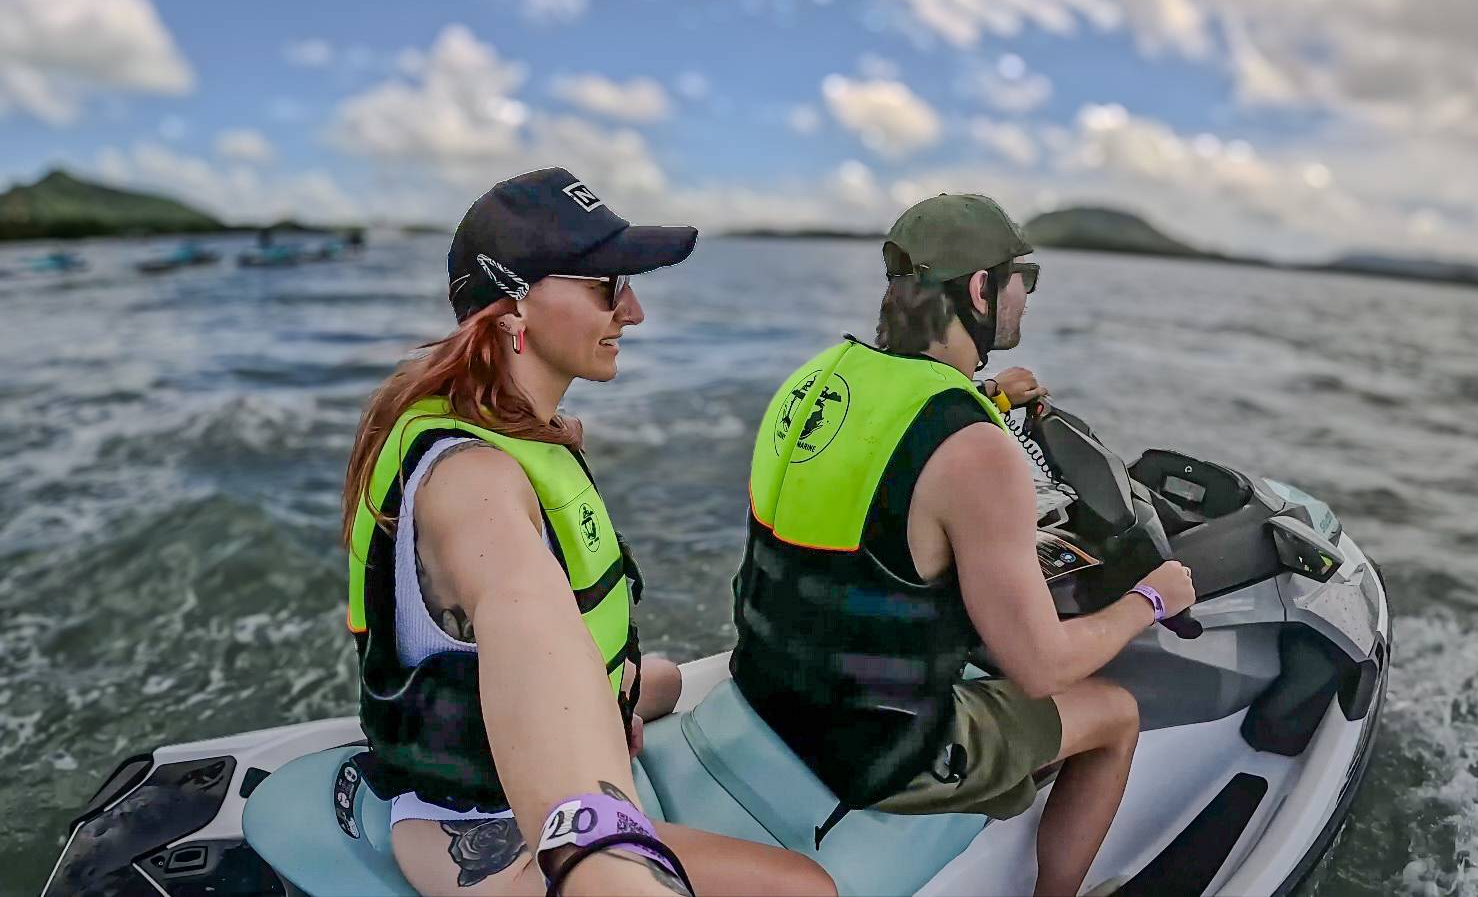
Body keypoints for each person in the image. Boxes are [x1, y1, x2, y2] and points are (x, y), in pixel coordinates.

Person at [342, 168, 834, 897]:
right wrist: (601, 853)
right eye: (606, 285)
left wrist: (621, 698)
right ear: (515, 304)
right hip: (483, 821)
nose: (631, 311)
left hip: (496, 745)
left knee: (665, 678)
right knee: (807, 888)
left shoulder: (500, 424)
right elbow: (521, 607)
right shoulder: (474, 480)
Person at [730, 193, 1195, 896]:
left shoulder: (816, 377)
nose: (1025, 298)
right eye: (1022, 279)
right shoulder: (974, 449)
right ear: (980, 287)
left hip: (766, 689)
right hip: (876, 752)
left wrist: (988, 397)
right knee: (1115, 712)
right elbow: (1040, 667)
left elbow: (887, 448)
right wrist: (1152, 595)